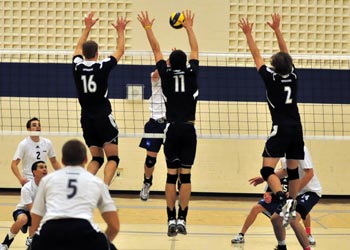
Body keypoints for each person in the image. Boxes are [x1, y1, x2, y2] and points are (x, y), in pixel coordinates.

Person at [239, 13, 304, 228]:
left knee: (266, 171)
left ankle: (283, 199)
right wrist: (277, 30)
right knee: (293, 170)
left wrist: (248, 33)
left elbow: (256, 55)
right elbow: (286, 54)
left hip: (280, 129)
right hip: (297, 128)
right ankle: (292, 204)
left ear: (274, 67)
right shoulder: (293, 76)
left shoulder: (271, 77)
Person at [137, 10, 199, 236]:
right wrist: (189, 27)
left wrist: (148, 28)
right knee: (187, 177)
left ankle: (169, 220)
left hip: (171, 128)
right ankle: (183, 220)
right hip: (189, 129)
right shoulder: (192, 74)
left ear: (170, 63)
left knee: (171, 176)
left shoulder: (166, 75)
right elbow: (195, 50)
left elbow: (156, 50)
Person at [29, 139, 119, 250]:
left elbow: (35, 221)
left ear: (62, 160)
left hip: (50, 232)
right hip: (84, 233)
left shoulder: (47, 180)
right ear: (86, 159)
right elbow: (114, 227)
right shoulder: (96, 182)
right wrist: (103, 245)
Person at [72, 12, 129, 186]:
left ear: (84, 53)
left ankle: (84, 187)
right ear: (97, 53)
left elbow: (77, 49)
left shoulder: (77, 66)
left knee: (96, 158)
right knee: (113, 157)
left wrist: (87, 27)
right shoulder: (102, 66)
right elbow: (120, 50)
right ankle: (103, 189)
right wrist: (121, 30)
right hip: (103, 117)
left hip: (86, 118)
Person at [270, 146, 321, 250]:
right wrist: (265, 177)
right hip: (295, 193)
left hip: (310, 191)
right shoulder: (283, 152)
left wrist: (295, 190)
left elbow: (310, 173)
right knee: (276, 219)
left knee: (292, 219)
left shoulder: (301, 149)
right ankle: (282, 246)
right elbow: (285, 172)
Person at [0, 161, 48, 250]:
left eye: (45, 167)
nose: (44, 169)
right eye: (41, 167)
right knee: (23, 219)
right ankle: (5, 244)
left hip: (38, 212)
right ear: (34, 172)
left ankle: (31, 242)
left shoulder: (48, 186)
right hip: (23, 211)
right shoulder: (27, 188)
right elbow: (32, 211)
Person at [231, 176, 288, 244]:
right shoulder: (276, 175)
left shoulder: (295, 175)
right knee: (256, 208)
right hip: (274, 201)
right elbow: (268, 192)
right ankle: (241, 235)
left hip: (287, 203)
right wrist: (267, 197)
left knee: (301, 214)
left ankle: (283, 243)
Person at [139, 69, 167, 201]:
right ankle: (147, 182)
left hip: (171, 124)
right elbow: (155, 75)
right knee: (150, 160)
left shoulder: (178, 80)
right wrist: (167, 63)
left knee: (175, 160)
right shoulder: (157, 77)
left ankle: (179, 186)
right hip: (155, 124)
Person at [11, 117, 61, 186]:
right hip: (29, 180)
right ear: (28, 129)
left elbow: (54, 162)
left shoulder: (47, 143)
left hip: (43, 180)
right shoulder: (24, 144)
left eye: (39, 125)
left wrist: (62, 174)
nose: (37, 126)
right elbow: (14, 164)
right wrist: (21, 179)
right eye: (34, 125)